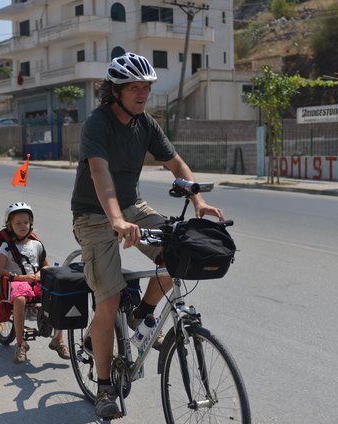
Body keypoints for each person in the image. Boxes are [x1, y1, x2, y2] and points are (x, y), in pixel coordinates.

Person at [70, 52, 225, 420]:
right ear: (116, 90)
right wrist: (117, 222)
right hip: (94, 215)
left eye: (147, 87)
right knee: (107, 300)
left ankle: (142, 312)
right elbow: (99, 175)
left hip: (132, 207)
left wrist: (198, 200)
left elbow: (176, 164)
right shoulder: (98, 123)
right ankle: (105, 387)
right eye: (135, 88)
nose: (143, 94)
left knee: (180, 254)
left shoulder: (146, 124)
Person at [0, 202, 70, 364]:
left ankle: (58, 339)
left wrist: (38, 274)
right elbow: (0, 269)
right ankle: (21, 343)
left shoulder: (36, 245)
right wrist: (20, 278)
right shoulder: (6, 247)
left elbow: (45, 265)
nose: (23, 226)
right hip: (16, 282)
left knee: (59, 296)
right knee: (20, 298)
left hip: (35, 282)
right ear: (10, 225)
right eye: (18, 223)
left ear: (31, 224)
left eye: (26, 222)